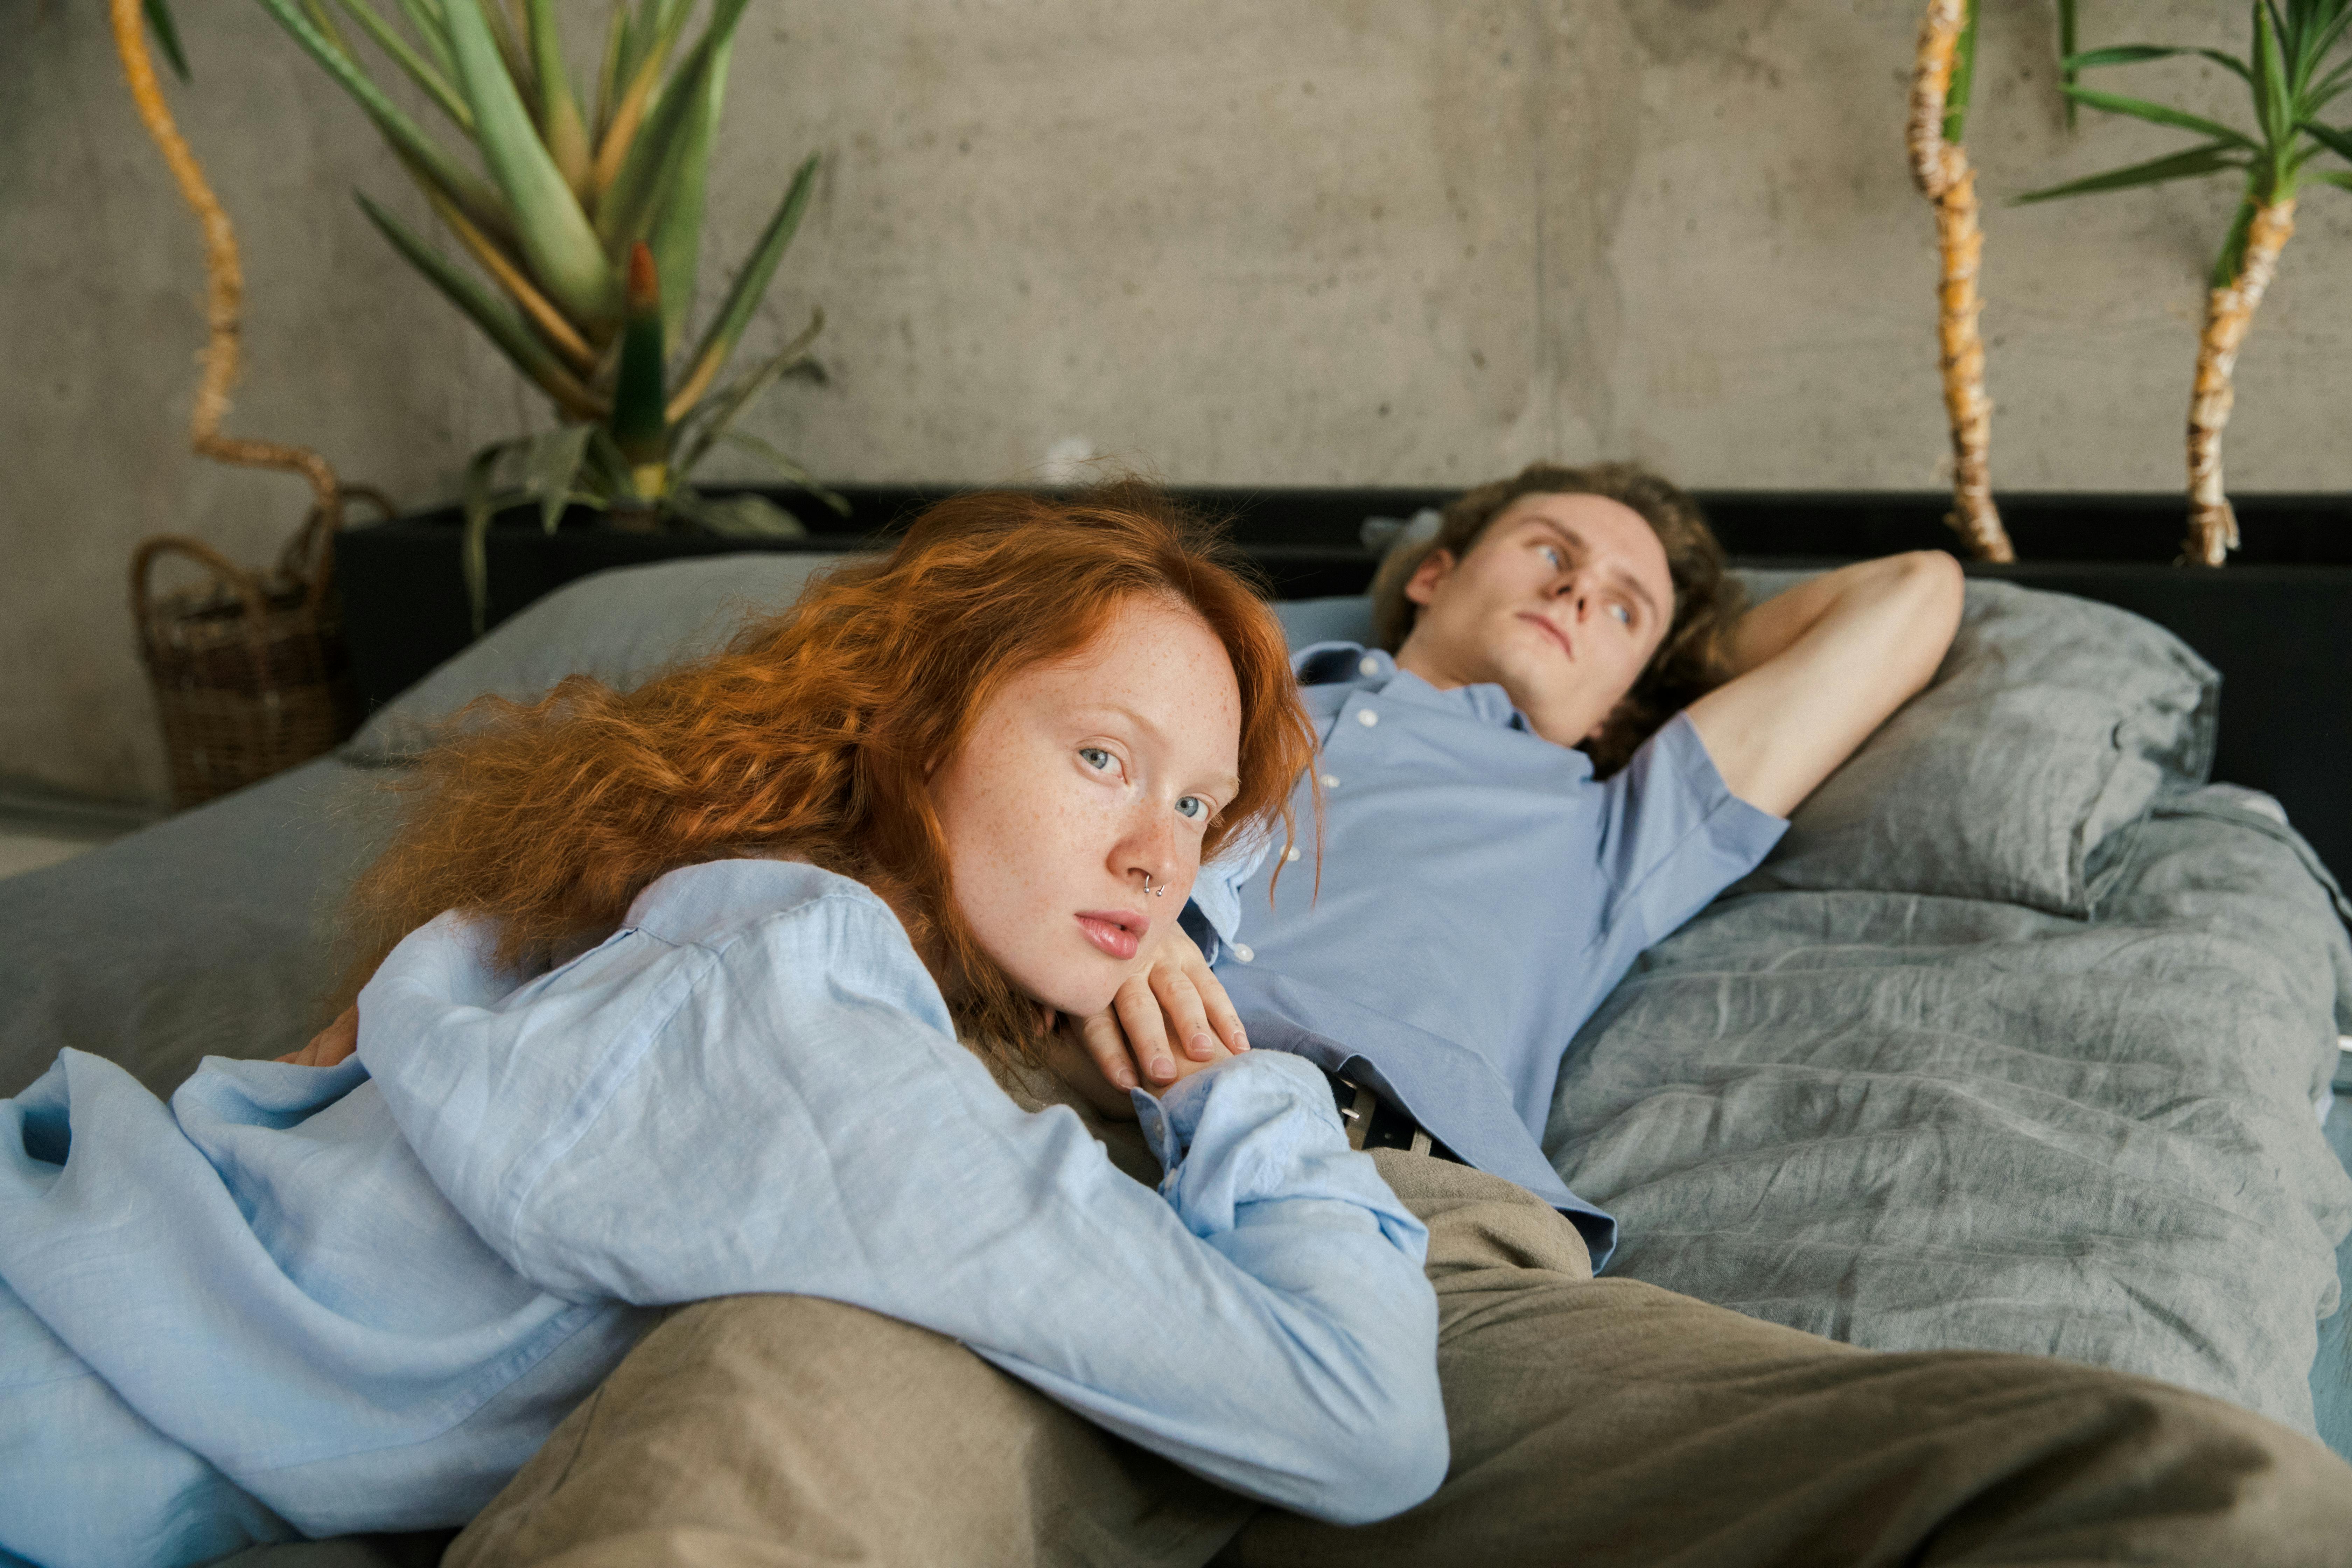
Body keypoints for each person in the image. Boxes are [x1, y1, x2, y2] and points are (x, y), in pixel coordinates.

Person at [433, 468, 2352, 1568]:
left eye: (1621, 601)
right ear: (1435, 569)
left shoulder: (1611, 814)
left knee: (2200, 1496)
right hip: (991, 1146)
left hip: (1399, 1239)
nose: (1586, 593)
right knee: (731, 1482)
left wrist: (1676, 633)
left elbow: (1918, 593)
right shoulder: (1180, 676)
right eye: (1550, 552)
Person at [0, 491, 1453, 1568]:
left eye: (1199, 806)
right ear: (917, 730)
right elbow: (1360, 1417)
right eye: (1102, 757)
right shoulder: (803, 1018)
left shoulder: (687, 913)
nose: (1161, 859)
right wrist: (1233, 1088)